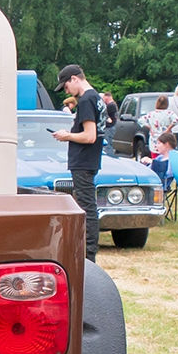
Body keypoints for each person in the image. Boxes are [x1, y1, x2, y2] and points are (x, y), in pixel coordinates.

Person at [52, 64, 105, 262]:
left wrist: (67, 136)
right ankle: (88, 253)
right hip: (90, 160)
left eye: (66, 87)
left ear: (74, 79)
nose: (67, 92)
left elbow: (89, 136)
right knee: (88, 205)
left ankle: (88, 256)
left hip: (83, 160)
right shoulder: (96, 98)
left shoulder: (86, 100)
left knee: (87, 207)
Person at [139, 95, 177, 163]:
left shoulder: (151, 114)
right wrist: (169, 128)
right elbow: (176, 120)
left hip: (154, 139)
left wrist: (150, 127)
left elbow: (140, 120)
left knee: (155, 158)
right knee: (167, 157)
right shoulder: (169, 113)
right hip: (166, 139)